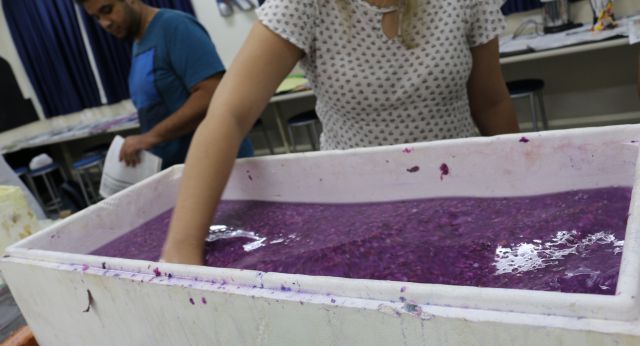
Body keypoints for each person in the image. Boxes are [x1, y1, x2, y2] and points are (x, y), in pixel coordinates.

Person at [161, 0, 519, 264]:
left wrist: (520, 195)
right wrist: (182, 246)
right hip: (356, 213)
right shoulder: (304, 5)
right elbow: (229, 115)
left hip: (460, 201)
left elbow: (491, 104)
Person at [78, 0, 254, 169]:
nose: (105, 23)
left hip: (216, 165)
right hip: (183, 168)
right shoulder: (139, 43)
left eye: (107, 10)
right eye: (96, 17)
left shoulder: (175, 26)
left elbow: (211, 91)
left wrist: (151, 137)